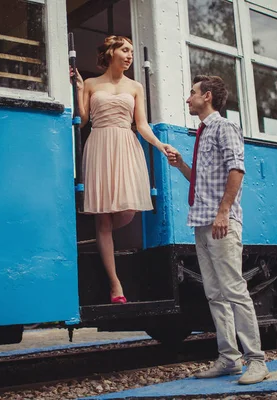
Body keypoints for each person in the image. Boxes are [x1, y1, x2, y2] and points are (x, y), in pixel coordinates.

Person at [167, 75, 269, 384]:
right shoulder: (203, 133)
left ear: (207, 96)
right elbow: (202, 184)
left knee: (234, 290)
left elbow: (236, 170)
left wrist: (224, 213)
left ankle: (257, 361)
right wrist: (182, 165)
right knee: (215, 294)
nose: (188, 99)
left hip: (220, 222)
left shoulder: (225, 128)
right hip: (201, 221)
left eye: (192, 94)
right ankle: (229, 358)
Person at [71, 36, 177, 304]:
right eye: (125, 50)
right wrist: (80, 87)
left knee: (128, 210)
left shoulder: (136, 87)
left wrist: (159, 144)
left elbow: (141, 124)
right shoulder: (93, 83)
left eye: (131, 51)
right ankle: (115, 284)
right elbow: (82, 120)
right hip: (99, 144)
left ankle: (101, 237)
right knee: (103, 220)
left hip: (127, 145)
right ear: (111, 52)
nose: (130, 56)